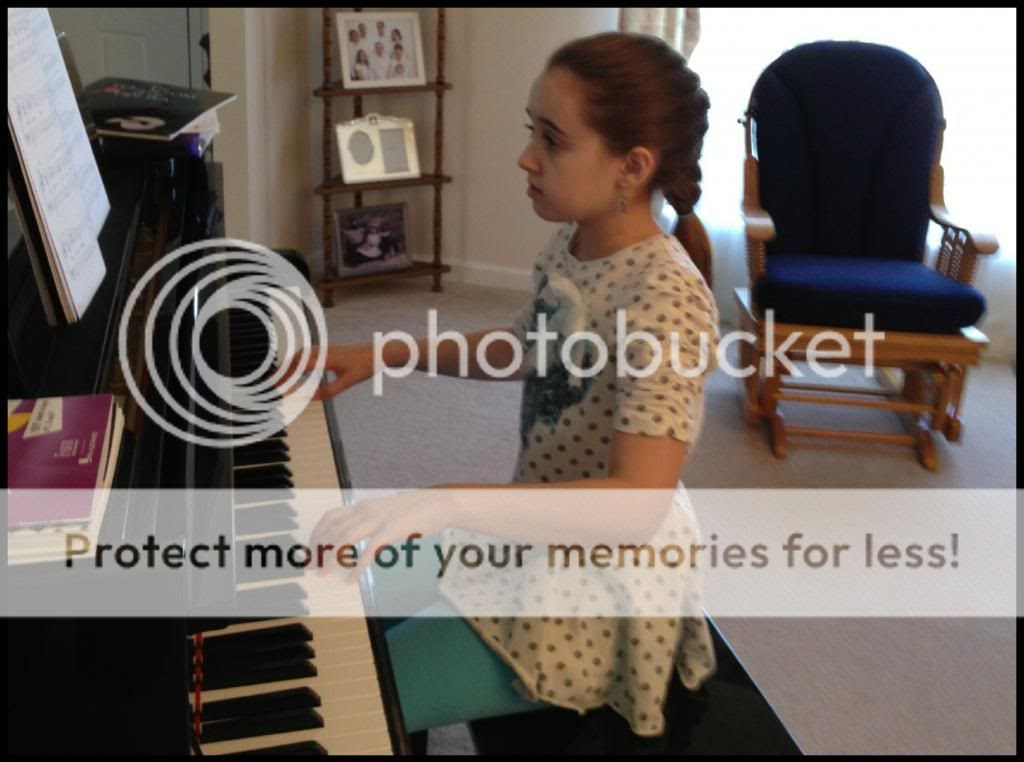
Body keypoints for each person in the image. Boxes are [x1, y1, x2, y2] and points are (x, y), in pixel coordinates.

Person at [285, 32, 717, 738]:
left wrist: (444, 501)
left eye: (552, 140)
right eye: (531, 130)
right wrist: (387, 351)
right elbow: (525, 346)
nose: (526, 157)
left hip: (596, 587)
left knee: (348, 692)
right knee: (331, 585)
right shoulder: (574, 242)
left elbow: (637, 504)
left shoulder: (666, 297)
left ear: (632, 167)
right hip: (532, 532)